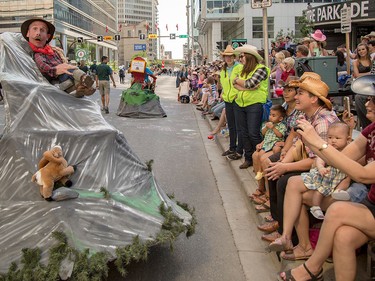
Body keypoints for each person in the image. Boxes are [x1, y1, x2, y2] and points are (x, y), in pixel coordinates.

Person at [277, 75, 375, 281]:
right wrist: (312, 141)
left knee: (337, 209)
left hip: (367, 202)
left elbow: (363, 175)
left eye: (372, 99)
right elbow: (339, 158)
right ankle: (299, 247)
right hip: (371, 204)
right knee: (343, 237)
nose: (367, 103)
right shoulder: (371, 130)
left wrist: (317, 143)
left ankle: (312, 267)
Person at [261, 72, 339, 244]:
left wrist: (285, 167)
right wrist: (282, 162)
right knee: (273, 167)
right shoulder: (306, 115)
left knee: (284, 180)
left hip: (325, 171)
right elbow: (296, 140)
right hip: (311, 162)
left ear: (313, 99)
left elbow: (321, 159)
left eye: (300, 93)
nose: (295, 96)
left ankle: (291, 237)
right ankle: (279, 222)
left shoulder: (323, 122)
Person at [21, 18, 95, 98]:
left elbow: (64, 63)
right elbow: (42, 66)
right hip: (47, 88)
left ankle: (82, 87)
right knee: (72, 72)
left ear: (47, 36)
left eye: (42, 30)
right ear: (28, 33)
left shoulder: (55, 51)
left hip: (61, 83)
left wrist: (65, 66)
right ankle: (83, 78)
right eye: (35, 29)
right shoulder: (26, 54)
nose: (38, 33)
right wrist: (55, 70)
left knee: (72, 73)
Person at [232, 44, 270, 169]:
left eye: (243, 56)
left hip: (254, 105)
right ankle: (249, 159)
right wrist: (245, 85)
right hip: (240, 104)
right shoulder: (243, 70)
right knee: (244, 133)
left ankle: (260, 157)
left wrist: (242, 84)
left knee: (253, 133)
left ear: (250, 57)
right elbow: (235, 83)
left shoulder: (262, 69)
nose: (240, 58)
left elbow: (250, 83)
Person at [219, 45, 243, 160]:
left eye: (230, 56)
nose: (228, 59)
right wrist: (223, 94)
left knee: (239, 126)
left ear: (234, 57)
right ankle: (232, 147)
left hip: (237, 99)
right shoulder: (223, 69)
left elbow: (242, 82)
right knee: (231, 125)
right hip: (228, 99)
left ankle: (239, 150)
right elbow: (224, 84)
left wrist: (237, 95)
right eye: (226, 57)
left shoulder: (239, 67)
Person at [253, 105, 287, 182]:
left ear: (280, 118)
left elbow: (280, 135)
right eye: (270, 115)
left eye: (273, 115)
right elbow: (263, 133)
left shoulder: (281, 126)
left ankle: (260, 171)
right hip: (266, 144)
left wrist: (273, 128)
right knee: (257, 154)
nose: (271, 117)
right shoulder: (268, 124)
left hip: (274, 144)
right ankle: (259, 172)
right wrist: (266, 127)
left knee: (261, 155)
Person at [354, 43, 372, 130]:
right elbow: (356, 75)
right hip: (362, 87)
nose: (361, 51)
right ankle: (367, 126)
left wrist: (363, 75)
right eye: (359, 50)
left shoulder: (372, 60)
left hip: (372, 86)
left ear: (367, 50)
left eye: (363, 49)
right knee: (358, 98)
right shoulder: (356, 62)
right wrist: (369, 74)